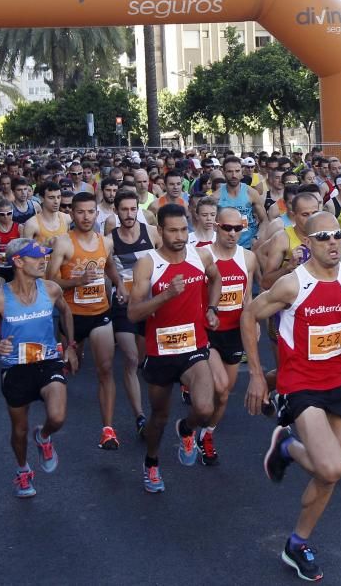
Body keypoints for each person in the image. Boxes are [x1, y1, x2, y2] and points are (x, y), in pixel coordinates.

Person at [243, 211, 341, 581]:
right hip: (300, 383)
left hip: (338, 381)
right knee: (332, 466)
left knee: (330, 477)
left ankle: (296, 543)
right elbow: (250, 314)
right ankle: (288, 447)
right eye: (323, 237)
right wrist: (258, 376)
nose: (332, 243)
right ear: (306, 243)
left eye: (337, 236)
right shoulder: (293, 285)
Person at [127, 203, 221, 493]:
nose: (179, 236)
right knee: (159, 416)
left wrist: (212, 308)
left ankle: (186, 429)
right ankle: (152, 462)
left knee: (205, 408)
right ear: (160, 231)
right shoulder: (148, 263)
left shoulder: (200, 254)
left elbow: (215, 278)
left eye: (183, 229)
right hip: (160, 351)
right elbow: (133, 313)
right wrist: (166, 295)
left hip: (194, 346)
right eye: (172, 231)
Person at [0, 238, 78, 498]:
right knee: (19, 430)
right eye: (37, 257)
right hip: (16, 368)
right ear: (19, 262)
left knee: (57, 417)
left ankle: (43, 437)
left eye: (44, 255)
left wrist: (70, 346)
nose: (43, 260)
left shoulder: (51, 289)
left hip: (47, 361)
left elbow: (66, 312)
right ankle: (22, 470)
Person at [47, 191, 126, 448]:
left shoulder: (106, 242)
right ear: (72, 214)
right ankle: (54, 419)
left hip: (100, 314)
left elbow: (109, 265)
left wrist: (120, 285)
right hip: (71, 316)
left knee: (105, 369)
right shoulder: (63, 243)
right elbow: (49, 282)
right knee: (70, 368)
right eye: (80, 212)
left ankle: (108, 429)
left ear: (97, 213)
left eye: (90, 211)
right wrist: (76, 281)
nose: (85, 216)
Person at [199, 206, 259, 464]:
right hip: (207, 331)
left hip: (235, 331)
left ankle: (206, 433)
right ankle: (196, 418)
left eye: (238, 228)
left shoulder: (248, 258)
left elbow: (247, 296)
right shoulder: (203, 256)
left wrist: (252, 321)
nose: (232, 233)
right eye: (227, 228)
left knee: (224, 394)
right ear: (216, 227)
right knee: (221, 386)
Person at [108, 190, 162, 438]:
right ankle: (140, 417)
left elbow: (166, 261)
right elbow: (105, 269)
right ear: (116, 212)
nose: (129, 214)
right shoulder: (109, 240)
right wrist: (117, 285)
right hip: (123, 306)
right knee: (130, 359)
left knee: (142, 360)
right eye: (124, 210)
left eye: (133, 209)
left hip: (149, 304)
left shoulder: (151, 233)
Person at [217, 156, 266, 249]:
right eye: (230, 171)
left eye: (237, 171)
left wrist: (257, 238)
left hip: (249, 245)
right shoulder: (216, 197)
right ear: (223, 172)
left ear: (241, 172)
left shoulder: (251, 192)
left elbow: (264, 220)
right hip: (225, 246)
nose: (234, 175)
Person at [23, 182, 71, 247]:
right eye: (51, 198)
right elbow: (26, 253)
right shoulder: (31, 224)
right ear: (41, 198)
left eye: (58, 197)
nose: (56, 201)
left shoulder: (67, 219)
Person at [0, 199, 23, 290]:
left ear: (12, 212)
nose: (6, 217)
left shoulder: (19, 228)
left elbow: (24, 249)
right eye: (2, 214)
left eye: (9, 213)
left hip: (15, 267)